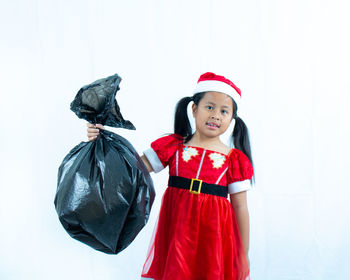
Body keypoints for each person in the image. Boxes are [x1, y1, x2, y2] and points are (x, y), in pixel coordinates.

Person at [87, 72, 255, 280]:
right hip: (178, 231)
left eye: (224, 111)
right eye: (209, 107)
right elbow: (132, 168)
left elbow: (240, 207)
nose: (215, 115)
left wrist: (243, 254)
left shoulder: (234, 160)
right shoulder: (173, 147)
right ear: (194, 109)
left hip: (215, 237)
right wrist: (101, 141)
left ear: (232, 119)